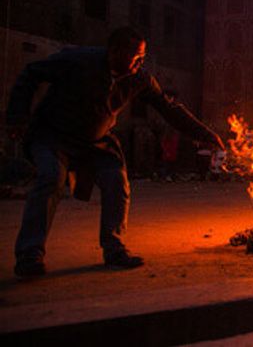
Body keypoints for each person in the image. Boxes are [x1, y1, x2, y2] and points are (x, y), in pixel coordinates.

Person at [7, 27, 225, 277]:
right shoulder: (77, 60)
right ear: (114, 51)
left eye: (142, 57)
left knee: (117, 182)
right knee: (50, 178)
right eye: (135, 56)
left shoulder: (139, 78)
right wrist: (17, 116)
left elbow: (169, 108)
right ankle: (29, 255)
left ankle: (114, 249)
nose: (140, 62)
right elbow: (30, 74)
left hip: (97, 142)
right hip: (54, 135)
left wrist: (206, 136)